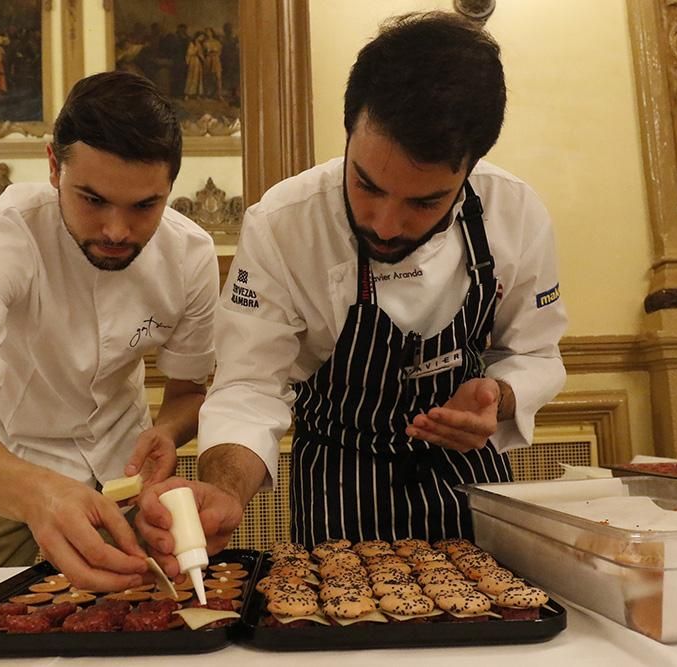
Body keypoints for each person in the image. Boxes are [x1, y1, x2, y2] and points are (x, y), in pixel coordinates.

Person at [135, 11, 567, 563]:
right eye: (366, 185)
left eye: (424, 202)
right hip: (339, 484)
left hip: (472, 481)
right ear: (348, 132)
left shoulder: (516, 212)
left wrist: (499, 398)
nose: (385, 224)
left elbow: (536, 352)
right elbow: (249, 386)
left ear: (469, 169)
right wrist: (224, 490)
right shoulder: (284, 223)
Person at [0, 70, 219, 591]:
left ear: (170, 187)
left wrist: (166, 433)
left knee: (144, 618)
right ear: (54, 166)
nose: (118, 231)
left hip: (124, 468)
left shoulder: (190, 255)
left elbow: (189, 392)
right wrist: (40, 494)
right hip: (6, 468)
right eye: (93, 199)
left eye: (145, 205)